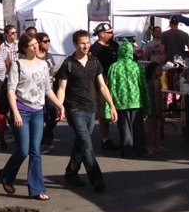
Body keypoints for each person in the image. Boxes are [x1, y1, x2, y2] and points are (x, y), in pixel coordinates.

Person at [0, 33, 64, 201]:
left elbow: (48, 89)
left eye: (37, 44)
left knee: (36, 151)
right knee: (23, 150)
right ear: (24, 48)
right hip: (22, 110)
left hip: (38, 111)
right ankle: (6, 175)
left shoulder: (43, 64)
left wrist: (59, 105)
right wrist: (16, 113)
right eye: (32, 45)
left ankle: (37, 188)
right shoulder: (17, 65)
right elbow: (11, 90)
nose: (36, 47)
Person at [56, 30, 118, 192]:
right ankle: (96, 178)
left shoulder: (94, 62)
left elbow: (102, 85)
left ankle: (71, 173)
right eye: (82, 43)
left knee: (81, 142)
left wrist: (111, 105)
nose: (86, 46)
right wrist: (60, 106)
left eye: (88, 43)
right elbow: (62, 88)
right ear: (75, 44)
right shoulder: (68, 64)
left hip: (91, 108)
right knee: (86, 143)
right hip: (74, 108)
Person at [107, 42, 151, 158]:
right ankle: (140, 149)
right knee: (138, 127)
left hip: (121, 102)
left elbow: (110, 86)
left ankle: (126, 150)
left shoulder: (114, 67)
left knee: (124, 127)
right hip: (136, 101)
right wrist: (147, 102)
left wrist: (110, 106)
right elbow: (143, 85)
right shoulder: (136, 66)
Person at [90, 22, 120, 151]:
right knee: (104, 112)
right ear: (102, 34)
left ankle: (124, 136)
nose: (112, 34)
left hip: (117, 83)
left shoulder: (115, 45)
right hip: (103, 82)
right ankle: (105, 138)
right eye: (110, 32)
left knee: (119, 108)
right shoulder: (95, 49)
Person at [36, 32, 57, 153]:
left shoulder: (49, 56)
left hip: (50, 91)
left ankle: (46, 135)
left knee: (53, 115)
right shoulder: (34, 56)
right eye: (45, 41)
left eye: (48, 41)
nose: (48, 43)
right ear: (38, 42)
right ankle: (43, 142)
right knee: (41, 117)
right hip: (37, 91)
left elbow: (52, 71)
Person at [145, 62, 167, 152]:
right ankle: (151, 145)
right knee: (153, 125)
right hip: (154, 106)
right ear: (152, 72)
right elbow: (156, 96)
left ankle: (155, 144)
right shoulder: (156, 82)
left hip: (150, 105)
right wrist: (158, 109)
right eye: (159, 70)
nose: (161, 71)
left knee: (155, 125)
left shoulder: (149, 81)